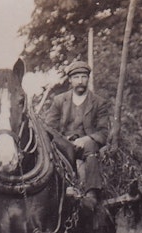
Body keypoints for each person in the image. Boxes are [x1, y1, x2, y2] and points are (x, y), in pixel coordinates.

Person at [45, 60, 110, 206]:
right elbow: (49, 126)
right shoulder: (60, 100)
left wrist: (86, 139)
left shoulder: (99, 102)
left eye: (83, 77)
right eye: (76, 77)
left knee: (91, 147)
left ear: (88, 79)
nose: (80, 81)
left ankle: (91, 192)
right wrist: (64, 139)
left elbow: (104, 132)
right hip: (63, 144)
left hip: (86, 146)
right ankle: (62, 188)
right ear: (70, 80)